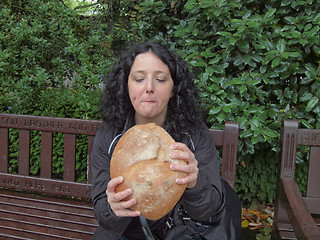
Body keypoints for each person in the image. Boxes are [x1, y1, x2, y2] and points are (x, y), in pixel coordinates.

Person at [91, 42, 240, 240]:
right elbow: (103, 214)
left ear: (173, 89)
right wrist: (113, 207)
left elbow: (208, 209)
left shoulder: (194, 136)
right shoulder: (109, 139)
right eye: (138, 79)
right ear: (126, 86)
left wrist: (194, 183)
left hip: (184, 232)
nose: (149, 88)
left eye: (160, 79)